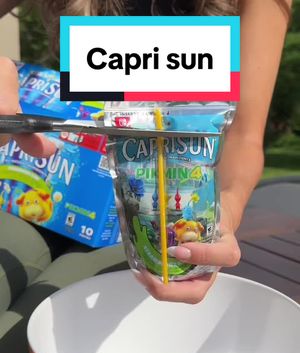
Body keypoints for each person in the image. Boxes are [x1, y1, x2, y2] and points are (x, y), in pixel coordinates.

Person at [0, 0, 293, 304]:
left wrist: (221, 220)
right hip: (60, 188)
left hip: (154, 225)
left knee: (50, 309)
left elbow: (243, 137)